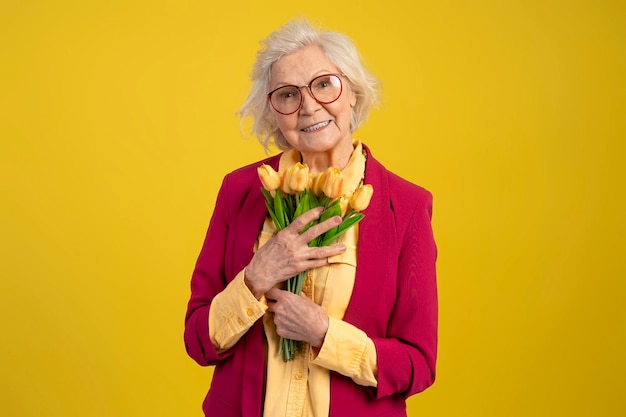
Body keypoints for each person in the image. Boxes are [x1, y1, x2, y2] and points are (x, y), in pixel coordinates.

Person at [184, 18, 438, 417]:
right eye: (287, 95)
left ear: (351, 91)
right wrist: (254, 280)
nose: (309, 106)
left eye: (323, 84)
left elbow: (417, 365)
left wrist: (325, 334)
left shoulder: (405, 207)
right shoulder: (239, 192)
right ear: (274, 113)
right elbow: (198, 340)